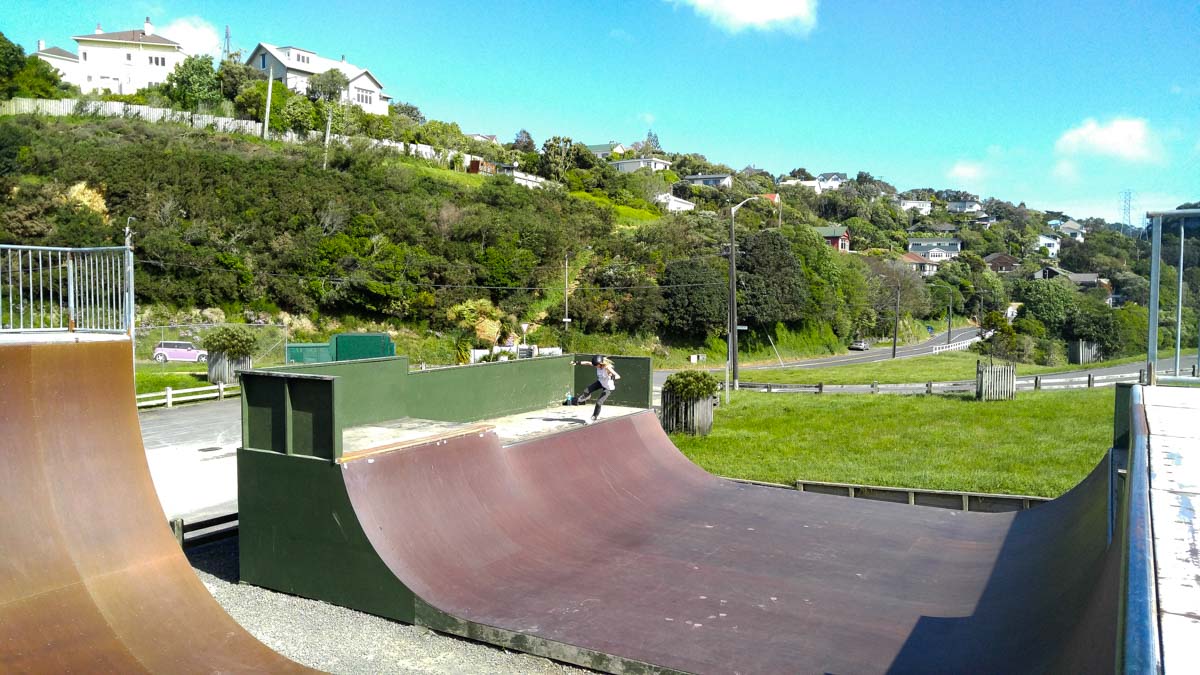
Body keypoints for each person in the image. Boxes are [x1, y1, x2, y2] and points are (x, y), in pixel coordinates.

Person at [570, 355, 620, 423]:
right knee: (586, 391)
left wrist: (613, 377)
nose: (595, 367)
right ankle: (586, 397)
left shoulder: (607, 367)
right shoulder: (596, 364)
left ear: (600, 364)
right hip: (600, 383)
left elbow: (618, 376)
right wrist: (577, 362)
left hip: (608, 388)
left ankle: (594, 417)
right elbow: (588, 363)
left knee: (599, 403)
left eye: (596, 365)